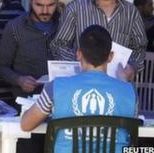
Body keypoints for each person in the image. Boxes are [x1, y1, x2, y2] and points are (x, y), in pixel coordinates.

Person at [21, 25, 137, 153]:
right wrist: (124, 81)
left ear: (78, 53)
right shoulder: (130, 92)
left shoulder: (55, 87)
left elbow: (26, 125)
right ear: (110, 56)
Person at [50, 0, 147, 81]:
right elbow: (58, 46)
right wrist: (86, 57)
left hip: (118, 86)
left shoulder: (131, 12)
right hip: (83, 84)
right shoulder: (75, 9)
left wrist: (133, 67)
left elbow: (140, 47)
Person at [0, 0, 59, 153]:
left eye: (51, 5)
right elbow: (1, 67)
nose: (45, 11)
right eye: (39, 5)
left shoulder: (66, 25)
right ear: (30, 0)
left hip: (62, 108)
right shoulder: (15, 28)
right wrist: (19, 80)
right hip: (26, 108)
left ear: (57, 2)